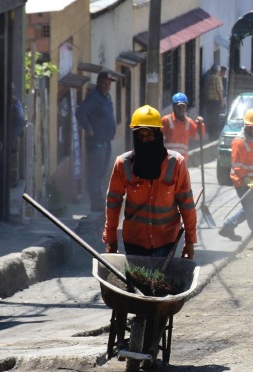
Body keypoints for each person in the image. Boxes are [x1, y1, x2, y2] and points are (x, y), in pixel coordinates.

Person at [103, 105, 197, 260]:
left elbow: (187, 204)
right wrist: (111, 240)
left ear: (158, 135)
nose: (145, 140)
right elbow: (113, 202)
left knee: (159, 282)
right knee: (137, 281)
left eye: (149, 135)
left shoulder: (176, 163)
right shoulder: (123, 164)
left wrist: (190, 241)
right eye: (140, 135)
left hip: (166, 241)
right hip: (134, 240)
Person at [218, 108, 253, 251]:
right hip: (243, 182)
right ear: (244, 124)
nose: (252, 130)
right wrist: (247, 181)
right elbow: (237, 166)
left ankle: (227, 227)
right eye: (250, 127)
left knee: (251, 209)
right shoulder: (239, 142)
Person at [76, 70, 116, 212]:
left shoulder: (106, 97)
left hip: (106, 141)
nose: (107, 86)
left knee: (102, 172)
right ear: (99, 82)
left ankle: (98, 202)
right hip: (97, 142)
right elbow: (81, 112)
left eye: (109, 83)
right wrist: (89, 128)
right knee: (95, 173)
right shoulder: (94, 97)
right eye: (104, 83)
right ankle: (96, 204)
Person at [161, 92, 205, 159]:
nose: (181, 109)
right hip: (169, 159)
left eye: (183, 107)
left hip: (183, 160)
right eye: (178, 107)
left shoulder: (188, 122)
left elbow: (198, 137)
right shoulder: (166, 120)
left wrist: (200, 125)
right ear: (174, 107)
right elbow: (158, 138)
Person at [203, 64, 224, 139]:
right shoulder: (218, 79)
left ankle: (211, 134)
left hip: (209, 102)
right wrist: (222, 101)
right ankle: (215, 135)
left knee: (210, 118)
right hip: (216, 102)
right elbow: (219, 91)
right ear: (218, 71)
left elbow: (205, 91)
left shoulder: (208, 78)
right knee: (216, 118)